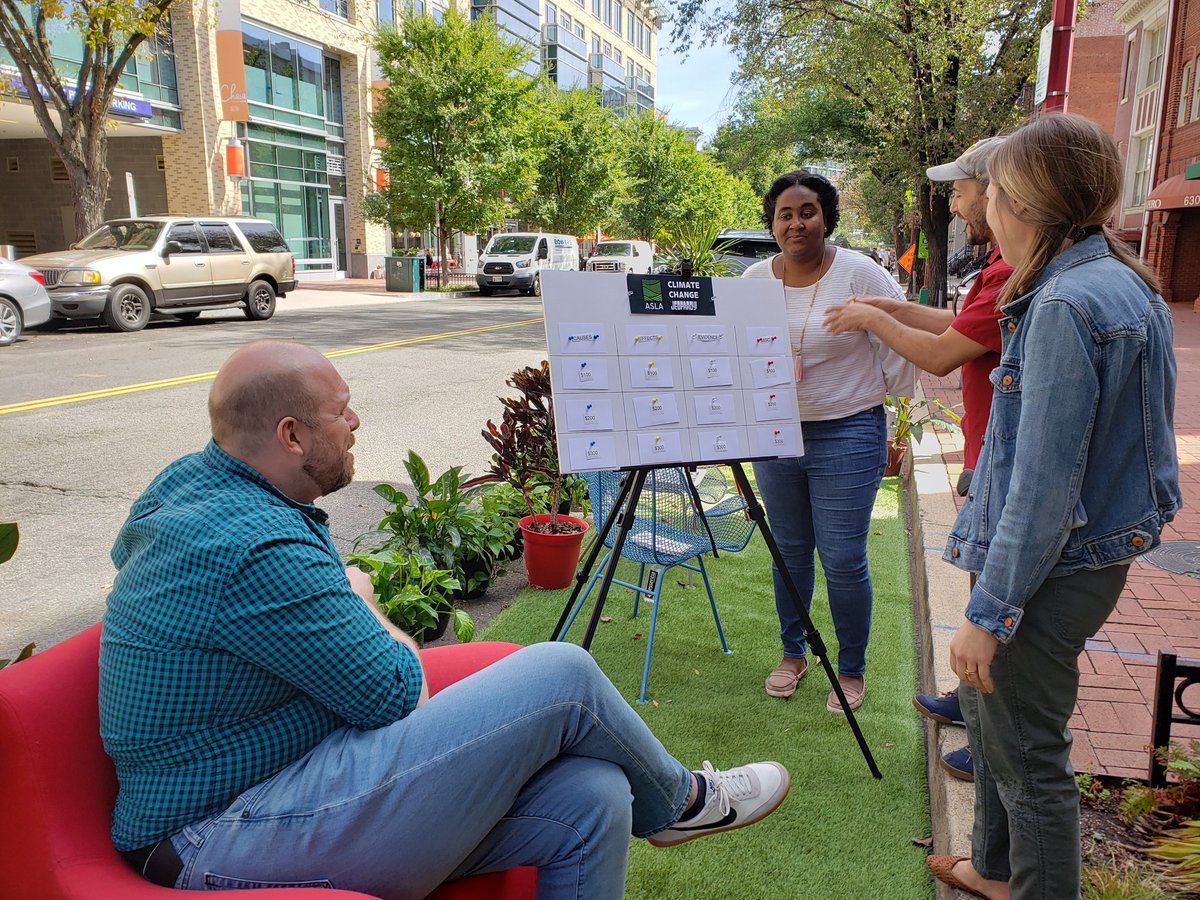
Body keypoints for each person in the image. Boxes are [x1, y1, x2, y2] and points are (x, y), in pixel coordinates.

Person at [99, 341, 790, 900]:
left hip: (283, 779)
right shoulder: (254, 547)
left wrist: (335, 600)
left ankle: (657, 803)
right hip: (214, 834)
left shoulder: (191, 482)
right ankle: (681, 804)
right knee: (563, 672)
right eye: (343, 411)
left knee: (596, 795)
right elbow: (395, 694)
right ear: (291, 434)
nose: (357, 424)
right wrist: (362, 600)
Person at [923, 114, 1180, 899]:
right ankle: (994, 868)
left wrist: (989, 611)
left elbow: (1044, 488)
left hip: (1054, 566)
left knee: (1027, 753)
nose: (978, 204)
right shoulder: (1111, 278)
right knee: (1002, 733)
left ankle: (1026, 881)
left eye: (988, 189)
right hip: (1080, 554)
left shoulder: (1068, 302)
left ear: (1022, 203)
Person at [824, 136, 1014, 782]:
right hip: (988, 453)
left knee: (999, 610)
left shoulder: (1017, 270)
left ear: (997, 192)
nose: (956, 204)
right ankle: (970, 707)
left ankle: (994, 738)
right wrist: (888, 306)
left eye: (961, 190)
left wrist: (871, 322)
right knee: (985, 595)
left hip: (1002, 464)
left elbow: (941, 354)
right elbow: (957, 327)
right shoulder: (997, 266)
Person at [744, 171, 916, 712]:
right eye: (785, 214)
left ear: (827, 217)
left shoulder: (859, 272)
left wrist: (892, 402)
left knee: (842, 557)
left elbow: (897, 338)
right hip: (776, 436)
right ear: (772, 223)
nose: (797, 223)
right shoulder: (751, 281)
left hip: (848, 430)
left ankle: (850, 667)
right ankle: (793, 653)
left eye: (808, 211)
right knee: (789, 551)